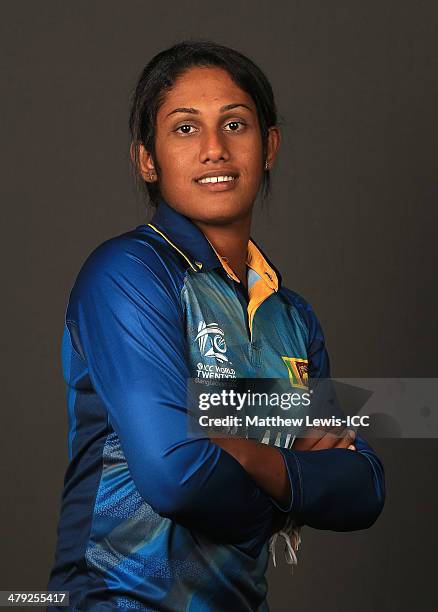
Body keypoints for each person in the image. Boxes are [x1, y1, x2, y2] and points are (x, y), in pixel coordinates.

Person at [48, 40, 385, 611]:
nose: (214, 150)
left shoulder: (291, 315)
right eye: (184, 129)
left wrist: (253, 456)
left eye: (235, 123)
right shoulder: (128, 274)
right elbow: (175, 474)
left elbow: (364, 487)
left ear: (270, 145)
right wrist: (292, 486)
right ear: (146, 159)